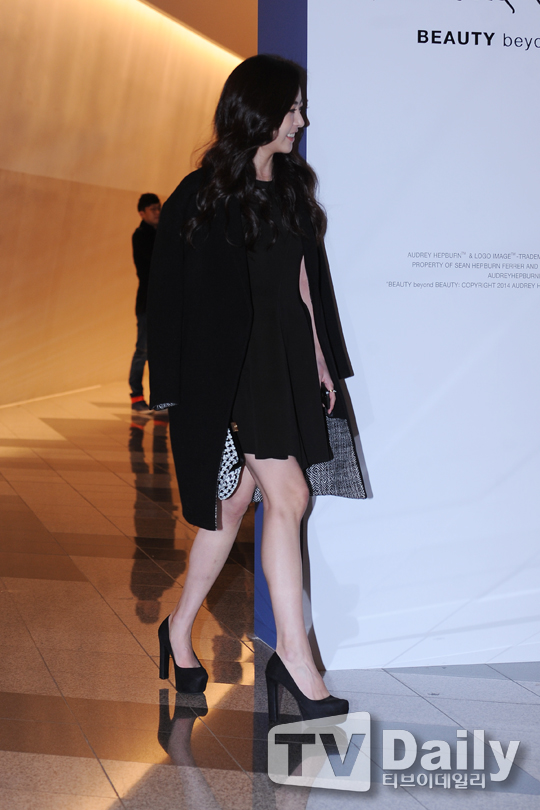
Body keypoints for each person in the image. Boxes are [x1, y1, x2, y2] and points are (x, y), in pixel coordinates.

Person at [147, 55, 366, 722]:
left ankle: (178, 630)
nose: (301, 120)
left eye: (300, 108)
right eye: (291, 108)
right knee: (291, 496)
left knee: (233, 506)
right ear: (257, 111)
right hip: (231, 371)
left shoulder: (293, 188)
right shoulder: (202, 192)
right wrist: (172, 387)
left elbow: (305, 278)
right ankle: (296, 662)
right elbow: (167, 295)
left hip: (282, 362)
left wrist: (322, 359)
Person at [129, 193, 161, 412]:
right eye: (153, 209)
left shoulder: (162, 233)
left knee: (159, 352)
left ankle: (159, 397)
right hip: (147, 303)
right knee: (143, 350)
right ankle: (137, 396)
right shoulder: (141, 236)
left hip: (160, 303)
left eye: (159, 208)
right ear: (142, 213)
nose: (158, 212)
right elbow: (151, 268)